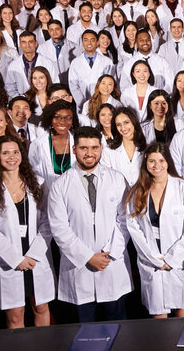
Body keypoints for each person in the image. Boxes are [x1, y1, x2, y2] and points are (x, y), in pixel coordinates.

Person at [46, 127, 133, 323]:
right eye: (84, 148)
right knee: (83, 334)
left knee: (118, 328)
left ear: (101, 148)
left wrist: (110, 253)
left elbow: (125, 220)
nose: (90, 153)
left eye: (94, 147)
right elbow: (59, 228)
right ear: (74, 148)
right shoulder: (61, 184)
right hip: (79, 268)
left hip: (111, 264)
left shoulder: (117, 179)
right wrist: (87, 257)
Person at [0, 136, 54, 329]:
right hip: (10, 259)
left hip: (36, 256)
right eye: (5, 153)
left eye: (16, 152)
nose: (12, 157)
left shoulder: (39, 183)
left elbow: (48, 222)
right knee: (15, 315)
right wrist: (16, 259)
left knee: (41, 307)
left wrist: (34, 254)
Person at [124, 142, 184, 318]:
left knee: (182, 309)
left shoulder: (183, 187)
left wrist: (173, 259)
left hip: (179, 260)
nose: (156, 165)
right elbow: (133, 228)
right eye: (152, 161)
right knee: (158, 314)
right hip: (152, 260)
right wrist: (153, 258)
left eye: (161, 160)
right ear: (145, 163)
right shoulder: (138, 191)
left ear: (168, 162)